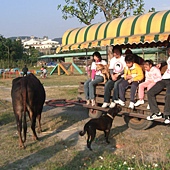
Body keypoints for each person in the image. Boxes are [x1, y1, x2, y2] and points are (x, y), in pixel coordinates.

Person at [147, 43, 170, 124]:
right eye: (168, 50)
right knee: (150, 92)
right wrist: (161, 64)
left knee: (168, 95)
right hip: (164, 79)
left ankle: (167, 114)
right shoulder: (169, 57)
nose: (169, 52)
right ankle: (156, 113)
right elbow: (167, 62)